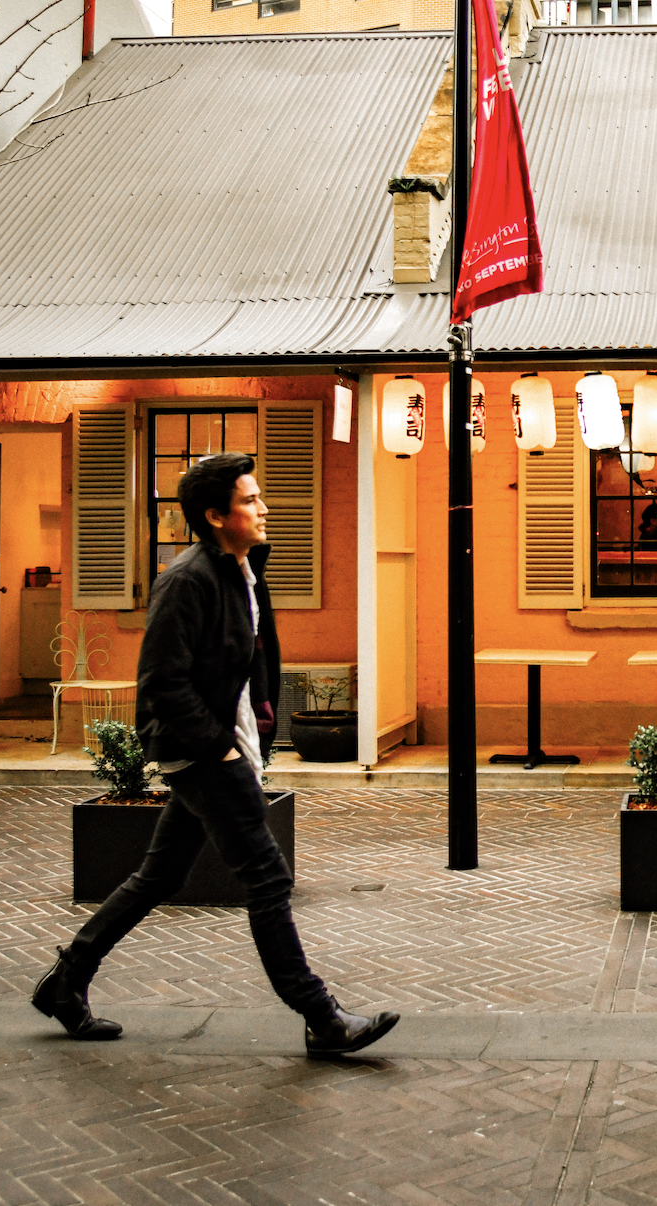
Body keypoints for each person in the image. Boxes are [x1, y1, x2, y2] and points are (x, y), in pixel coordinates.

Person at [31, 451, 398, 1058]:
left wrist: (258, 725)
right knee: (268, 877)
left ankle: (67, 982)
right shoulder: (187, 581)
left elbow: (252, 658)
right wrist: (222, 752)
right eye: (250, 500)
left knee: (160, 876)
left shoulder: (241, 570)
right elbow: (161, 686)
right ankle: (322, 1016)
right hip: (202, 753)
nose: (264, 508)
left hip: (227, 747)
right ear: (214, 515)